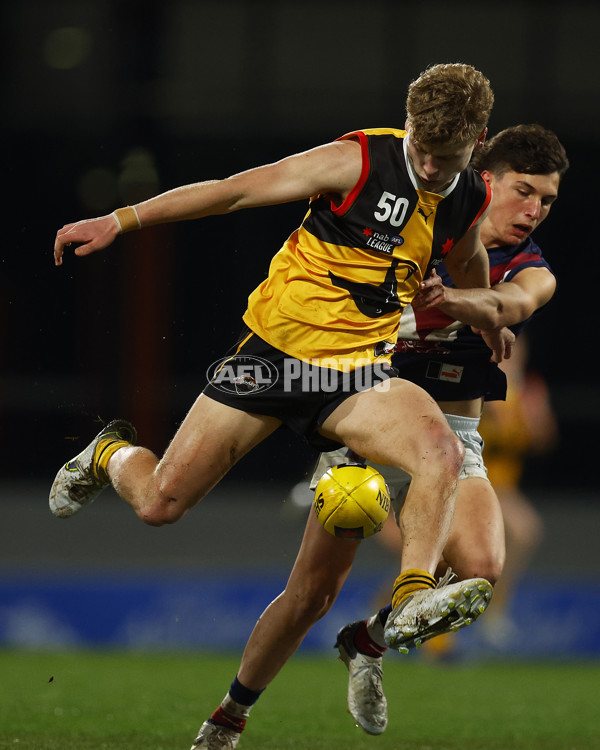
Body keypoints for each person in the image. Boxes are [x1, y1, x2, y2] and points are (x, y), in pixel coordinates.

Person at [50, 63, 498, 750]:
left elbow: (466, 259)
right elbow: (233, 194)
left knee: (437, 448)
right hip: (271, 361)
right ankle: (111, 452)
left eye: (450, 157)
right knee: (161, 504)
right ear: (406, 126)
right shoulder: (355, 160)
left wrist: (484, 311)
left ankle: (409, 599)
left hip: (355, 375)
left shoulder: (468, 192)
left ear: (479, 141)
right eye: (424, 152)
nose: (434, 168)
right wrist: (120, 218)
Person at [324, 123, 568, 735]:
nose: (535, 210)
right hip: (375, 425)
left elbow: (508, 306)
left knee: (482, 569)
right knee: (311, 592)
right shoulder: (416, 228)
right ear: (485, 181)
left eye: (548, 200)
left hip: (456, 441)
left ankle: (367, 641)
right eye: (524, 191)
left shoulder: (533, 269)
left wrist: (454, 304)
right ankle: (232, 713)